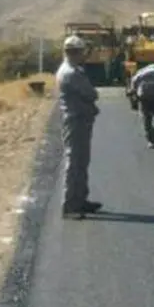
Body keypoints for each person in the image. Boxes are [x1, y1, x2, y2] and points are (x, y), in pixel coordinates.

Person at [55, 35, 102, 218]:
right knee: (75, 161)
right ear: (76, 52)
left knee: (81, 161)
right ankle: (70, 204)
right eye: (82, 52)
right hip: (76, 120)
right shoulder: (72, 73)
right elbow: (91, 94)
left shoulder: (69, 70)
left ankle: (79, 199)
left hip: (79, 119)